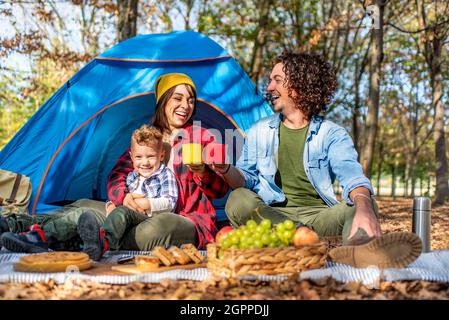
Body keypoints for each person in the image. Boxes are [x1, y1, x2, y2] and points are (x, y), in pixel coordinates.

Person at [212, 51, 422, 268]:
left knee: (362, 203)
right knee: (238, 198)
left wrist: (364, 205)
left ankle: (359, 249)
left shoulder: (332, 134)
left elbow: (352, 177)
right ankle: (310, 240)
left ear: (298, 85)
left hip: (320, 219)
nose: (269, 88)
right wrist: (226, 168)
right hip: (272, 216)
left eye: (277, 80)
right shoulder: (260, 131)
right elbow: (244, 181)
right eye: (270, 81)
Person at [106, 72, 229, 251]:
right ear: (163, 101)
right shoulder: (148, 137)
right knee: (85, 208)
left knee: (161, 226)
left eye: (191, 100)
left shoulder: (202, 137)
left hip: (186, 218)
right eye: (178, 98)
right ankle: (62, 230)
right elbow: (117, 175)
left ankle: (103, 237)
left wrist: (202, 172)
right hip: (141, 212)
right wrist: (124, 198)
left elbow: (221, 190)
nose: (185, 106)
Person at [97, 124, 178, 256]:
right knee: (117, 211)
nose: (145, 163)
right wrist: (112, 205)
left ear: (161, 155)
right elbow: (124, 197)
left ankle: (104, 241)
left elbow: (170, 202)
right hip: (130, 214)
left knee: (123, 212)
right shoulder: (132, 176)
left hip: (147, 217)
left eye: (151, 157)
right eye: (139, 157)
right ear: (131, 157)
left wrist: (147, 203)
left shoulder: (164, 175)